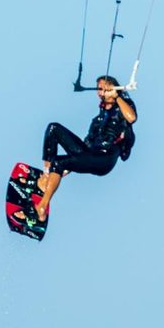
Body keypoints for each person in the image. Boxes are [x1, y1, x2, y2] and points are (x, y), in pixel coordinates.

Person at [32, 75, 137, 222]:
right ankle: (46, 176)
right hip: (91, 154)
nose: (99, 93)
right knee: (53, 130)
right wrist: (67, 168)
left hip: (105, 159)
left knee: (61, 162)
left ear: (113, 89)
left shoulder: (122, 108)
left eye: (103, 89)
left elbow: (131, 117)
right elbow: (84, 150)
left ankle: (42, 205)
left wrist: (118, 96)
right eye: (98, 89)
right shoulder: (97, 121)